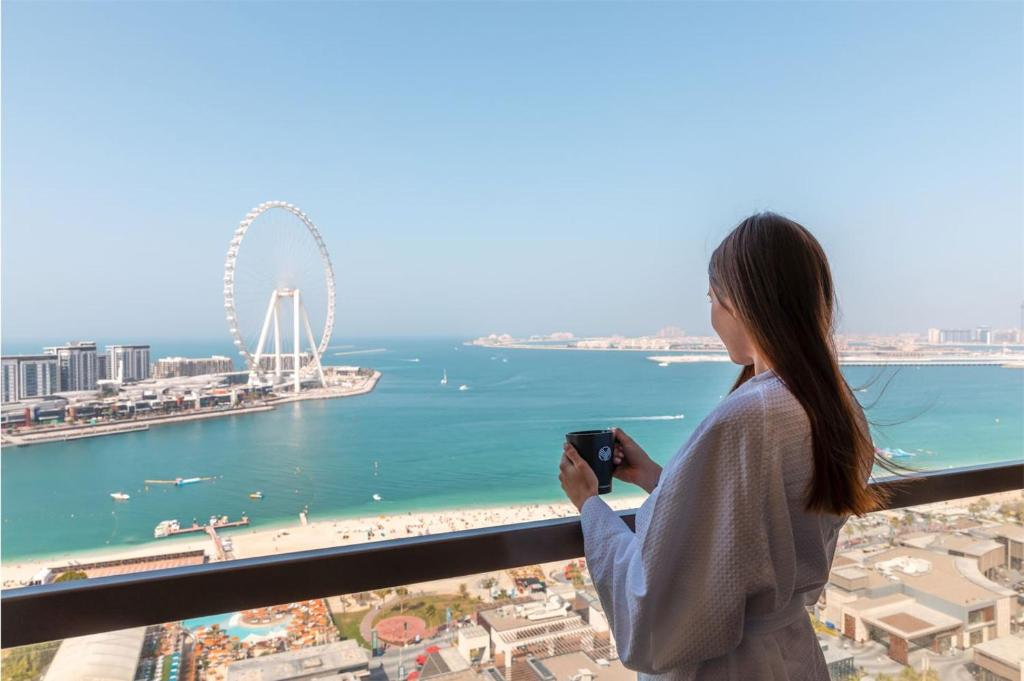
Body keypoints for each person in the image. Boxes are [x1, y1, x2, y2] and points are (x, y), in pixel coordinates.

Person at [558, 212, 881, 680]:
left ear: (739, 303)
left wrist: (589, 505)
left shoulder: (748, 416)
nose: (711, 316)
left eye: (712, 300)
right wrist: (656, 479)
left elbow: (656, 613)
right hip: (792, 654)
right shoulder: (833, 404)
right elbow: (754, 521)